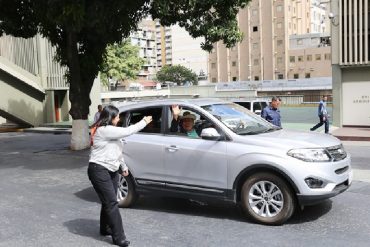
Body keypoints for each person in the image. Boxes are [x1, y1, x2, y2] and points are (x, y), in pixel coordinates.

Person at [88, 105, 152, 247]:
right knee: (112, 202)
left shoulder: (111, 132)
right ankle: (119, 237)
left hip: (111, 169)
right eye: (117, 116)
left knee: (108, 201)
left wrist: (123, 167)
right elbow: (128, 131)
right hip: (98, 169)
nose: (119, 118)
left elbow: (117, 151)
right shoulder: (104, 130)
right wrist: (144, 122)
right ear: (110, 118)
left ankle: (105, 228)